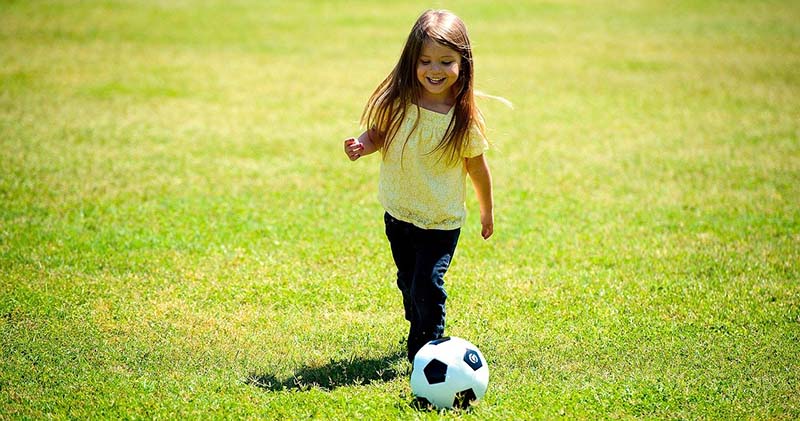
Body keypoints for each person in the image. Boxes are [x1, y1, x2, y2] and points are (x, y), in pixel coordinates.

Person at [343, 9, 494, 363]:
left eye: (446, 61)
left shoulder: (463, 119)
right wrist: (363, 145)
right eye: (425, 60)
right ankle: (418, 322)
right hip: (399, 213)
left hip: (440, 221)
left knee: (428, 286)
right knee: (409, 282)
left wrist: (487, 211)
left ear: (463, 63)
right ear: (412, 60)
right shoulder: (398, 104)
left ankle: (426, 354)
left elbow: (478, 168)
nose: (434, 70)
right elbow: (379, 134)